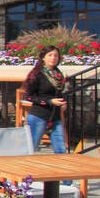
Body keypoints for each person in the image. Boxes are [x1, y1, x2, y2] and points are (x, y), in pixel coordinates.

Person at [21, 46, 72, 186]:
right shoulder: (37, 74)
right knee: (32, 148)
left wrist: (62, 103)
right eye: (50, 55)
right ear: (43, 57)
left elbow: (58, 93)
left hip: (54, 117)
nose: (53, 58)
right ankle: (24, 180)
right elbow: (29, 97)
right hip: (39, 116)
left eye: (55, 56)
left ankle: (67, 182)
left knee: (61, 148)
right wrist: (49, 101)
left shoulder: (58, 74)